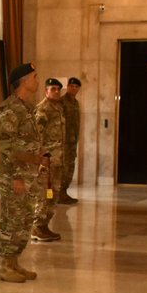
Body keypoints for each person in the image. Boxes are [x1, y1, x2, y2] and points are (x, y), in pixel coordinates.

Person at [0, 63, 46, 283]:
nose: (37, 81)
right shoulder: (10, 109)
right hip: (15, 176)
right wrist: (16, 177)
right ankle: (4, 266)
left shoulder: (27, 108)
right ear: (25, 81)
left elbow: (26, 142)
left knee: (25, 220)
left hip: (29, 174)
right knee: (13, 220)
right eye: (35, 77)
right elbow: (7, 147)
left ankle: (14, 262)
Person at [33, 78, 66, 242]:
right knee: (45, 194)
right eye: (53, 89)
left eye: (58, 89)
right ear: (46, 91)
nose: (56, 92)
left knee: (54, 194)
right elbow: (37, 136)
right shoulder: (43, 110)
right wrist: (42, 158)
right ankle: (37, 226)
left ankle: (44, 225)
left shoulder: (57, 108)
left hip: (57, 160)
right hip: (47, 161)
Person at [60, 76, 83, 204]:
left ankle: (64, 192)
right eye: (71, 86)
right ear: (67, 87)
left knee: (70, 168)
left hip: (72, 142)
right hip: (64, 142)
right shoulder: (62, 102)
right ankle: (59, 194)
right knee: (63, 168)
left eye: (76, 87)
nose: (74, 89)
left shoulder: (76, 103)